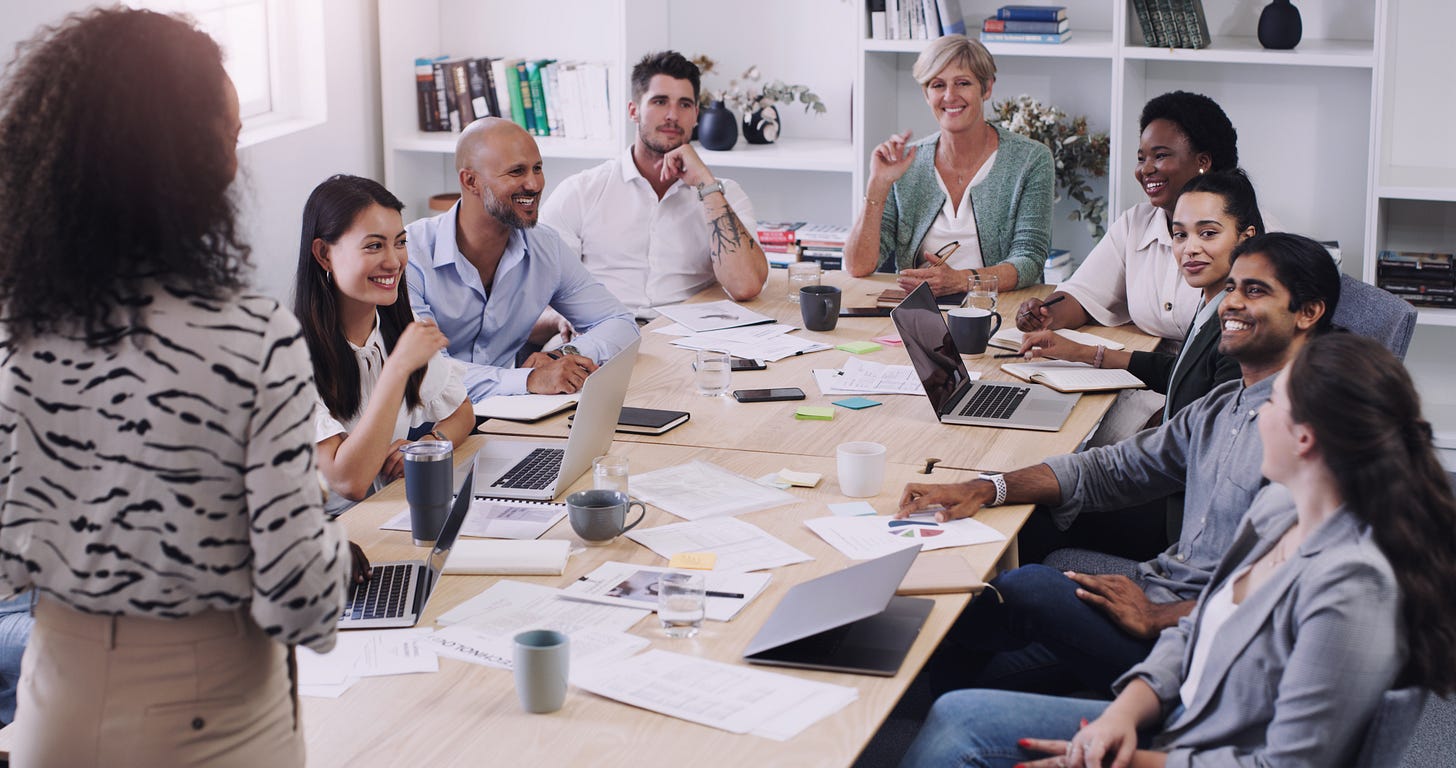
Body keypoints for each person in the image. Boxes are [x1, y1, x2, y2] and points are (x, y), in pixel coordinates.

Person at [0, 9, 357, 765]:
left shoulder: (16, 330)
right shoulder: (249, 337)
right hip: (213, 716)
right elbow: (303, 605)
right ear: (187, 170)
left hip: (53, 708)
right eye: (227, 138)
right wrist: (336, 545)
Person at [901, 332, 1456, 768]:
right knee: (956, 712)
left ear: (1304, 439)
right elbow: (1197, 631)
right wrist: (1125, 711)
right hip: (1178, 715)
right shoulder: (1276, 515)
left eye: (1273, 405)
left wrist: (1131, 759)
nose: (1254, 413)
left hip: (1198, 746)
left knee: (964, 729)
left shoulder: (1352, 588)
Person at [895, 233, 1341, 697]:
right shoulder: (1224, 404)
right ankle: (931, 678)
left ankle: (932, 674)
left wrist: (1161, 616)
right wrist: (984, 487)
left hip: (1198, 642)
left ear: (1308, 312)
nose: (1231, 304)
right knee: (984, 617)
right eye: (1231, 288)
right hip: (1155, 598)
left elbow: (1294, 590)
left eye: (1255, 291)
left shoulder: (1310, 435)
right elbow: (1114, 469)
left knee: (1028, 588)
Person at [405, 117, 639, 400]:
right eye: (516, 172)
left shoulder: (546, 246)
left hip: (508, 415)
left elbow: (621, 324)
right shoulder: (410, 254)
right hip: (428, 431)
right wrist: (528, 380)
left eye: (537, 168)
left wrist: (562, 356)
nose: (534, 184)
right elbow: (429, 374)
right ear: (471, 181)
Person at [293, 175, 475, 515]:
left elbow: (462, 413)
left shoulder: (395, 329)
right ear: (323, 254)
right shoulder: (289, 356)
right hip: (324, 538)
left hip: (383, 513)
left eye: (400, 242)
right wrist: (398, 368)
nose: (394, 261)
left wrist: (428, 446)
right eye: (374, 246)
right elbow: (349, 482)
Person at [540, 51, 768, 323]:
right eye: (660, 102)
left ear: (696, 115)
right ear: (633, 110)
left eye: (684, 105)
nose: (672, 115)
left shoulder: (724, 194)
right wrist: (561, 321)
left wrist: (706, 185)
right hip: (599, 332)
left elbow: (745, 286)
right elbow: (536, 298)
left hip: (687, 340)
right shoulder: (579, 192)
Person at [1018, 170, 1262, 420]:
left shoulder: (1239, 334)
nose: (1190, 249)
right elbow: (1182, 373)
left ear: (1245, 238)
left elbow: (1209, 435)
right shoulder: (1212, 304)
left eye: (1208, 233)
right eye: (1180, 235)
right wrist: (1081, 352)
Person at [1016, 91, 1243, 341]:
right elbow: (1084, 293)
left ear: (1203, 161)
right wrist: (1045, 314)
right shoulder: (1136, 222)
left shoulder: (1244, 230)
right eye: (1141, 158)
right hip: (1149, 367)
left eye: (1160, 156)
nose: (1145, 169)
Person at [844, 34, 1053, 296]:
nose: (950, 96)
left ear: (986, 88)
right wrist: (878, 185)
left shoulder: (1031, 159)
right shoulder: (906, 163)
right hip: (921, 314)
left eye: (963, 83)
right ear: (926, 93)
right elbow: (857, 266)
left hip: (998, 310)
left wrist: (961, 281)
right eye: (937, 85)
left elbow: (1029, 260)